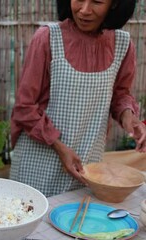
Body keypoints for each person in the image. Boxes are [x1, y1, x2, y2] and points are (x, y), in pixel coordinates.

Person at [10, 0, 146, 197]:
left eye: (97, 2)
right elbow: (25, 107)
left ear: (115, 5)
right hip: (38, 161)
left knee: (75, 221)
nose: (84, 10)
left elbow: (120, 95)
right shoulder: (48, 38)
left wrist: (129, 118)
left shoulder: (123, 44)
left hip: (87, 163)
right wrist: (59, 146)